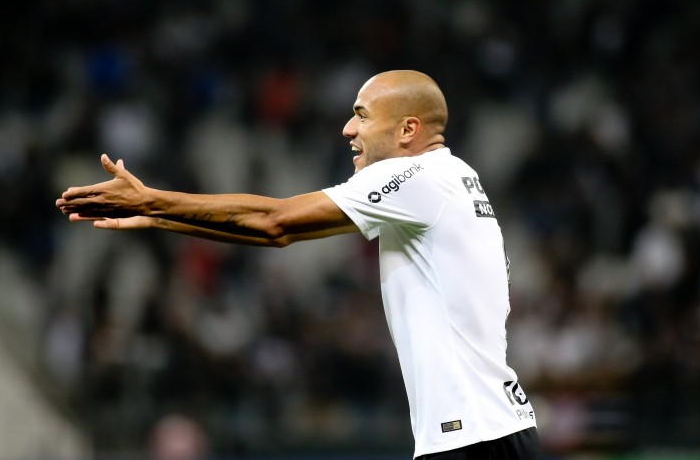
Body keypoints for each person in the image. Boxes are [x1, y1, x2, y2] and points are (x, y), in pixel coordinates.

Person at [56, 70, 539, 459]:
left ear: (408, 129)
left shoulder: (418, 178)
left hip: (473, 439)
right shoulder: (449, 179)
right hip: (490, 430)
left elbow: (275, 222)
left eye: (362, 116)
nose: (348, 130)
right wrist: (161, 218)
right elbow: (281, 233)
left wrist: (152, 201)